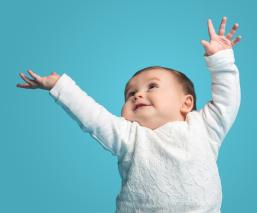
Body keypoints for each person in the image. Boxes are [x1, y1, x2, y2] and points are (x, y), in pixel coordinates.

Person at [17, 16, 241, 213]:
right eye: (130, 93)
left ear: (186, 103)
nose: (137, 96)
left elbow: (226, 100)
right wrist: (60, 86)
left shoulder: (204, 127)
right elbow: (93, 117)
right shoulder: (130, 137)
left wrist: (221, 61)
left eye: (152, 86)